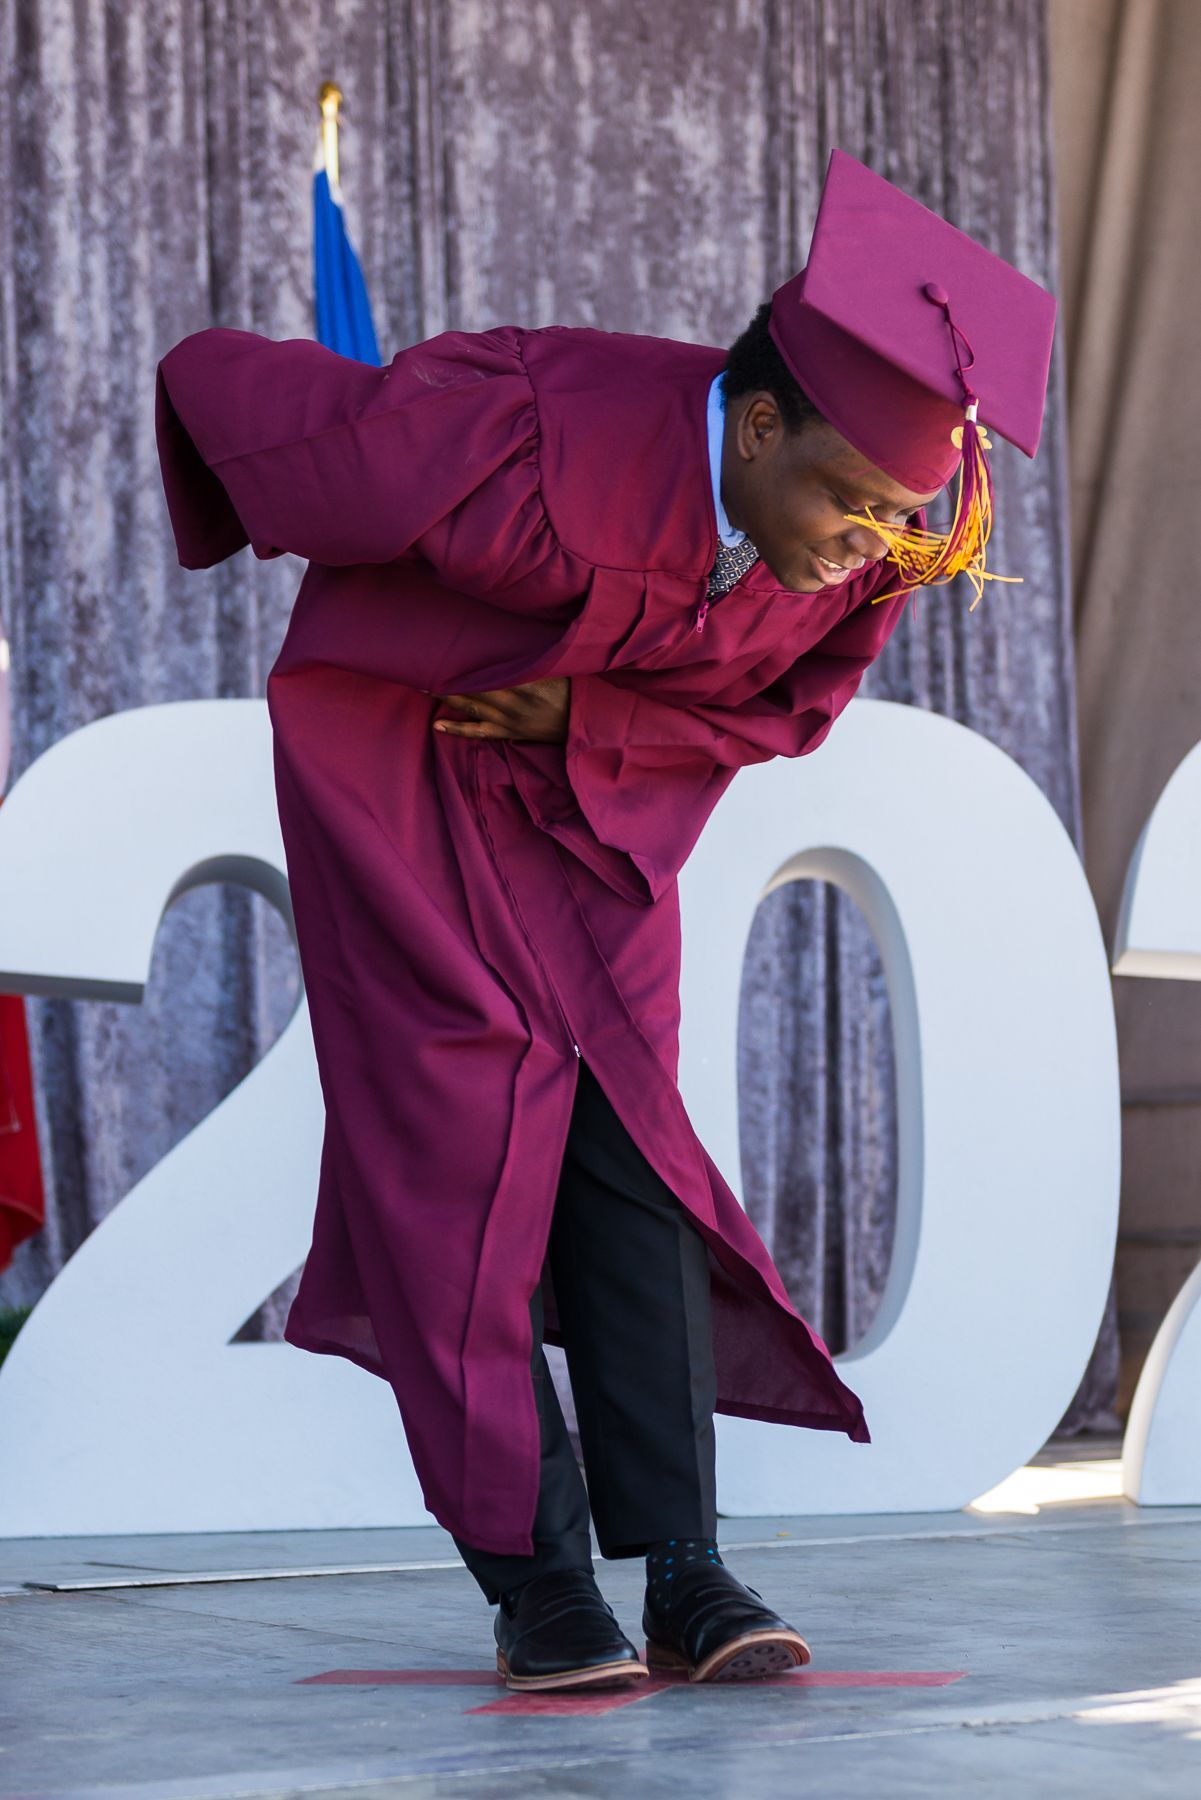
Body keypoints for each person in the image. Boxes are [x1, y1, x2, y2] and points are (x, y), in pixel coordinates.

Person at [154, 150, 1054, 1691]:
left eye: (895, 520)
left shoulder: (888, 526)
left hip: (596, 815)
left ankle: (688, 1573)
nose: (867, 545)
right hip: (407, 786)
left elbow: (786, 708)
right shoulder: (524, 432)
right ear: (758, 421)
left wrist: (590, 710)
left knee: (630, 1159)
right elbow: (277, 412)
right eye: (845, 500)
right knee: (453, 1150)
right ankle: (533, 1577)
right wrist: (212, 404)